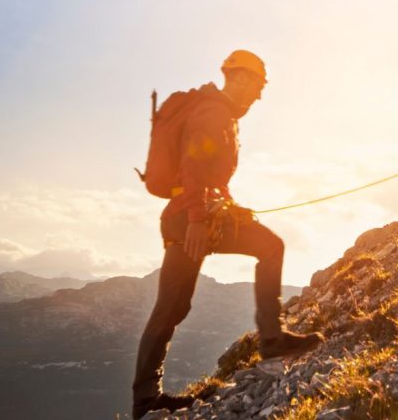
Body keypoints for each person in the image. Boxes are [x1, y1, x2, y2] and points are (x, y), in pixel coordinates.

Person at [132, 50, 322, 419]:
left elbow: (208, 177)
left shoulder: (221, 115)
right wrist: (198, 221)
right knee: (266, 250)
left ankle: (146, 400)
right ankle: (271, 341)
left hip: (193, 215)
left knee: (175, 306)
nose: (259, 95)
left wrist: (227, 207)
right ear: (237, 78)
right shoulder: (214, 111)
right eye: (257, 85)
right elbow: (193, 164)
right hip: (191, 220)